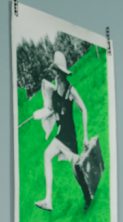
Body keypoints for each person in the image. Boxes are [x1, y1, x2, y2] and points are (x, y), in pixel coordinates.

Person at [33, 50, 89, 212]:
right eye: (54, 71)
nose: (55, 74)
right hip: (60, 135)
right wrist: (39, 114)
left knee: (76, 167)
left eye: (57, 71)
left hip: (69, 137)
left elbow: (84, 109)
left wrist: (85, 135)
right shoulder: (54, 89)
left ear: (62, 73)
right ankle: (49, 200)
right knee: (48, 156)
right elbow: (50, 110)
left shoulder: (70, 91)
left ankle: (86, 192)